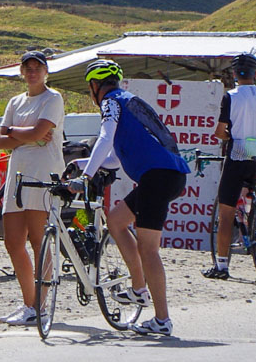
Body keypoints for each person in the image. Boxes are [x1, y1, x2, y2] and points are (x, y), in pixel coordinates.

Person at [77, 58, 189, 337]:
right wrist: (83, 165)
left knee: (148, 248)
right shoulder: (128, 100)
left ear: (95, 86)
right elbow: (113, 158)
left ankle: (162, 318)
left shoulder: (111, 102)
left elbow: (104, 139)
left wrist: (86, 177)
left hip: (158, 176)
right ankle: (139, 289)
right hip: (165, 174)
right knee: (116, 222)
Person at [0, 49, 65, 325]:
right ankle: (29, 303)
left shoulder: (53, 99)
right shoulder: (15, 101)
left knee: (39, 239)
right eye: (28, 68)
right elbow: (1, 142)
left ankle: (40, 302)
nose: (33, 72)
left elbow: (42, 133)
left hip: (42, 171)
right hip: (18, 174)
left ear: (46, 71)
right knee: (13, 241)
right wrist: (22, 135)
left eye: (38, 67)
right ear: (22, 72)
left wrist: (16, 134)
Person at [206, 53, 256, 281]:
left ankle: (222, 265)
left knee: (226, 213)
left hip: (237, 154)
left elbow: (220, 131)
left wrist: (229, 137)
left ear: (235, 74)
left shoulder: (231, 96)